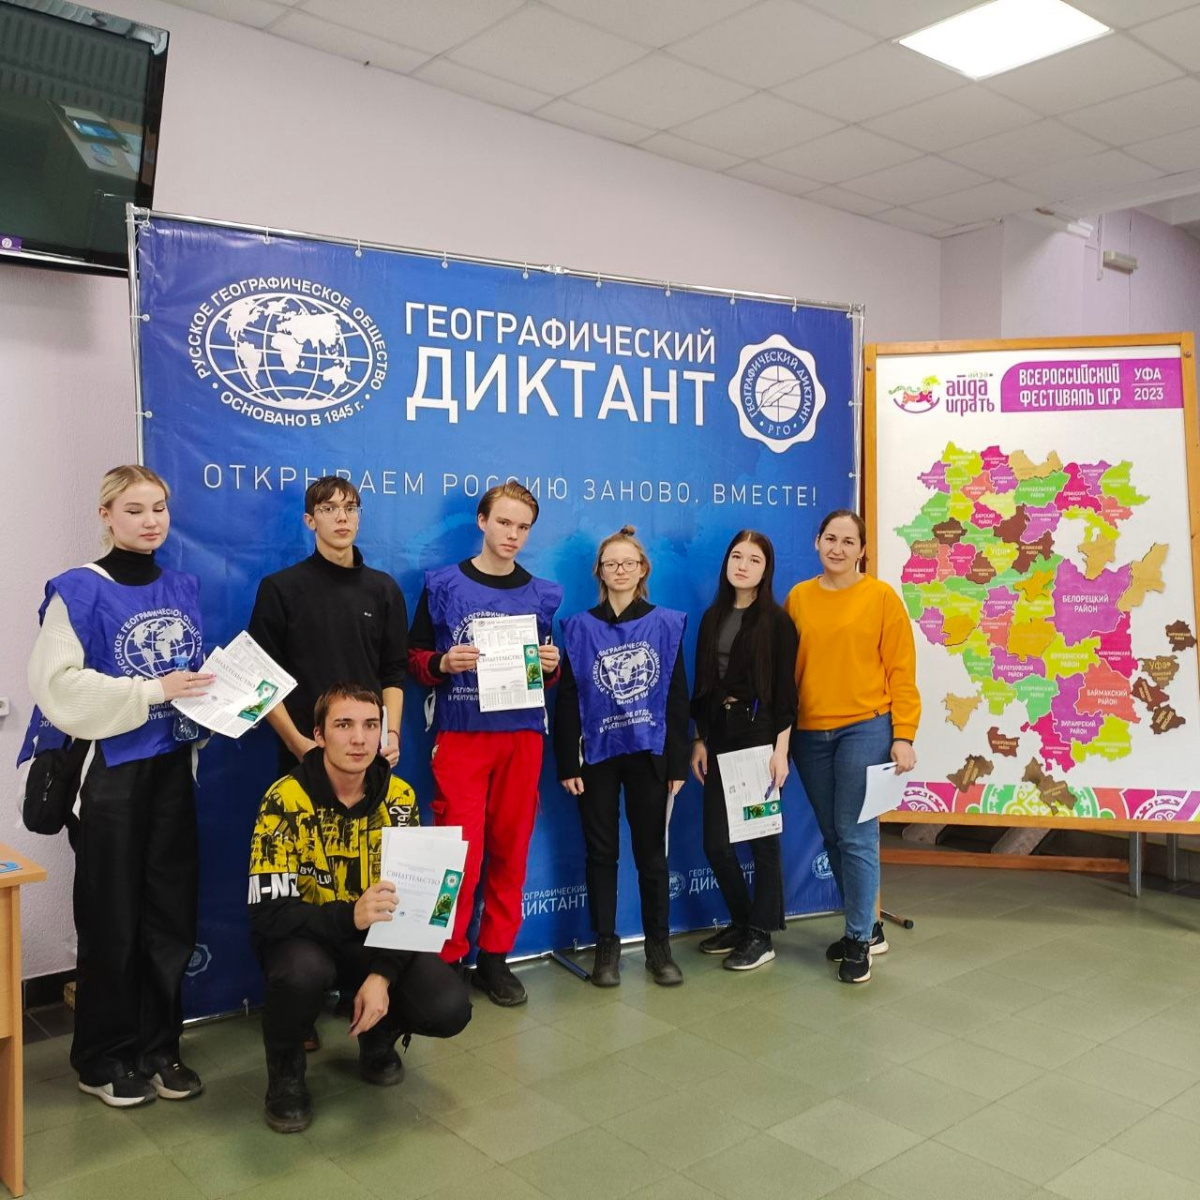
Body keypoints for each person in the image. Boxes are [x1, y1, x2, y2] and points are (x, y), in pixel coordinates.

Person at [20, 465, 214, 1108]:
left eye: (159, 508)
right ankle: (102, 1057)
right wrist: (153, 690)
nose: (150, 521)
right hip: (109, 775)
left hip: (171, 770)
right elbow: (58, 686)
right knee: (112, 919)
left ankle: (159, 1048)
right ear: (106, 515)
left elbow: (187, 675)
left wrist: (216, 697)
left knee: (170, 916)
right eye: (134, 509)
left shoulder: (181, 586)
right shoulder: (78, 591)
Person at [247, 684, 471, 1133]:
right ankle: (286, 1074)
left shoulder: (400, 797)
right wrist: (349, 915)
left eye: (371, 725)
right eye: (344, 725)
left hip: (379, 940)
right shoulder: (284, 799)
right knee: (299, 973)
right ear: (319, 734)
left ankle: (377, 1034)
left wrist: (382, 975)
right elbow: (267, 914)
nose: (359, 739)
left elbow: (415, 908)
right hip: (307, 941)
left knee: (449, 1006)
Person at [407, 482, 562, 1006]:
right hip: (463, 735)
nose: (512, 534)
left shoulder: (543, 594)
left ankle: (494, 957)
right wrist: (441, 662)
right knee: (459, 856)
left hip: (522, 736)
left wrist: (552, 666)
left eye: (523, 527)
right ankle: (448, 957)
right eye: (504, 523)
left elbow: (546, 671)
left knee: (511, 851)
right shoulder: (443, 585)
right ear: (482, 521)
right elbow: (413, 658)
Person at [785, 509, 920, 985]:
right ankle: (870, 925)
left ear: (862, 549)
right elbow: (788, 670)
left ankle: (859, 938)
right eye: (830, 538)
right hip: (809, 734)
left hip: (866, 728)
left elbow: (901, 670)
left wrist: (903, 734)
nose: (838, 548)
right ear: (817, 542)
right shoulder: (799, 597)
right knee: (832, 834)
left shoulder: (880, 597)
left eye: (848, 541)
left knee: (857, 833)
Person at [555, 526, 690, 987]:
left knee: (652, 855)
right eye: (611, 563)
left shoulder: (665, 624)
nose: (620, 570)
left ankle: (658, 947)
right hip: (597, 756)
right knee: (601, 853)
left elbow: (676, 696)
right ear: (599, 571)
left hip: (650, 755)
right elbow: (567, 698)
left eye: (628, 563)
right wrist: (567, 762)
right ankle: (606, 946)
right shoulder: (579, 627)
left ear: (642, 569)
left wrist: (677, 762)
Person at [248, 477, 407, 775]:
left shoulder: (384, 590)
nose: (342, 517)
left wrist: (391, 735)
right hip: (305, 751)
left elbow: (394, 673)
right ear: (310, 521)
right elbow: (259, 677)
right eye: (328, 508)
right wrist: (298, 744)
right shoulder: (280, 589)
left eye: (350, 508)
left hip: (368, 751)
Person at [690, 531, 798, 971]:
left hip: (759, 738)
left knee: (761, 841)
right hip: (719, 736)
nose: (743, 565)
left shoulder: (776, 621)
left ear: (766, 569)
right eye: (736, 556)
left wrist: (780, 751)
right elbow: (702, 685)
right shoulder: (712, 617)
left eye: (754, 560)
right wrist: (699, 739)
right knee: (716, 844)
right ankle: (741, 920)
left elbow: (785, 693)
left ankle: (761, 934)